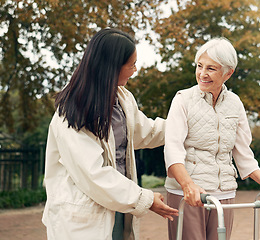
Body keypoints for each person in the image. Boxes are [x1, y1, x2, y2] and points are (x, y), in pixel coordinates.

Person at [42, 28, 178, 240]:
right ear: (112, 67)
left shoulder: (121, 98)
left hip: (119, 206)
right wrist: (145, 198)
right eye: (131, 64)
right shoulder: (71, 110)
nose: (135, 70)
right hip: (84, 216)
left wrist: (186, 125)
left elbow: (146, 132)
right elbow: (93, 173)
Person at [164, 37, 260, 240]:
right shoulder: (182, 99)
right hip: (190, 195)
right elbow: (173, 149)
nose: (202, 74)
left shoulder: (235, 103)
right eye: (200, 66)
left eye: (211, 68)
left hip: (224, 194)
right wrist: (188, 186)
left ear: (228, 73)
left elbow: (243, 153)